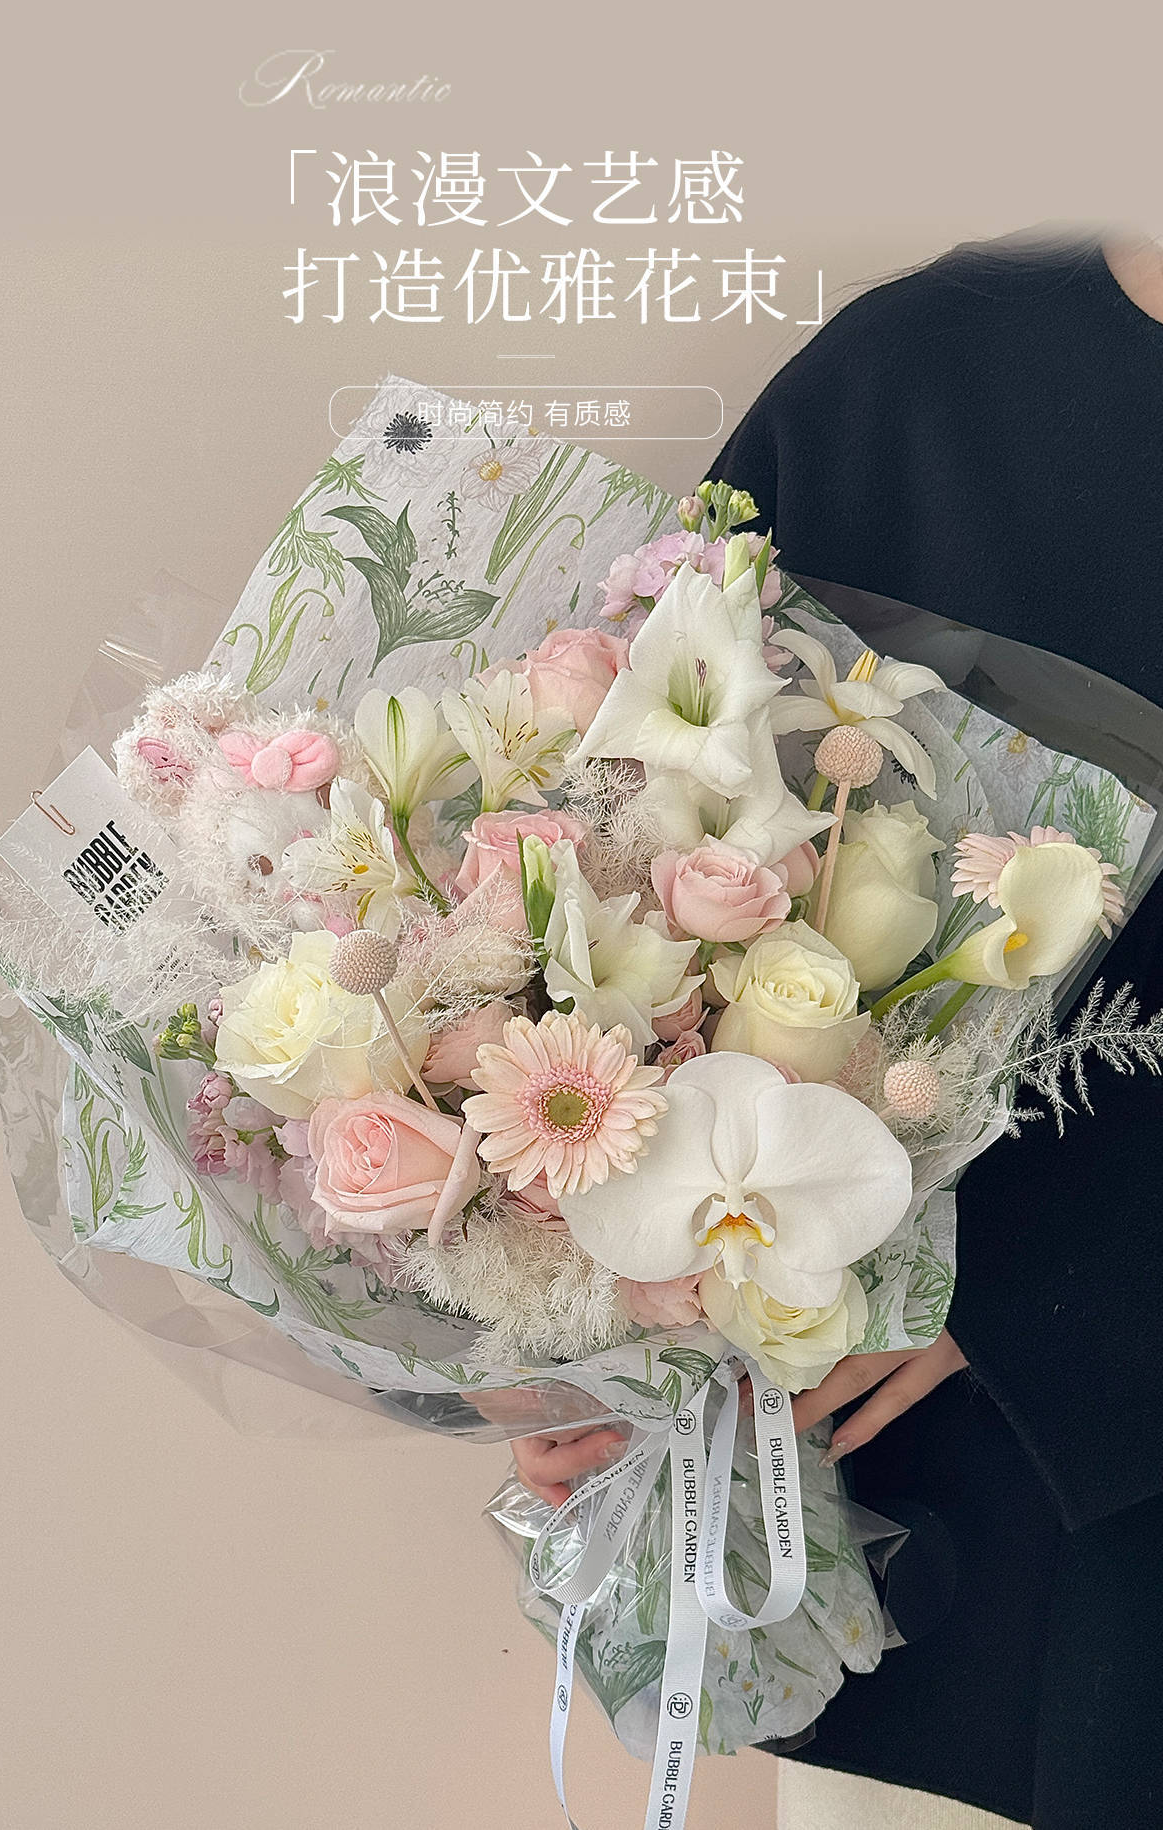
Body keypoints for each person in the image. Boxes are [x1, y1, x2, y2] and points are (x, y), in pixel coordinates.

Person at [509, 229, 1163, 1829]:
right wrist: (590, 1309)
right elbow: (618, 861)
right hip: (906, 1521)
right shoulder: (912, 384)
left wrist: (1036, 1290)